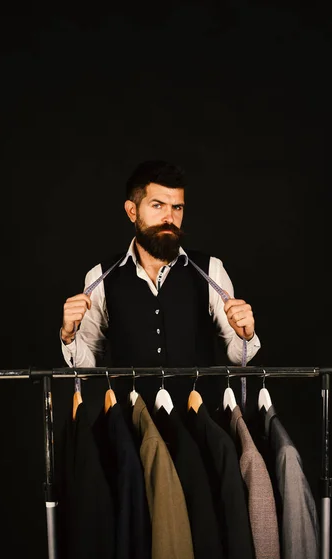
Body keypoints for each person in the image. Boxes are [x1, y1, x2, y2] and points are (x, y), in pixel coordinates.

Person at [60, 159, 261, 413]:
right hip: (131, 432)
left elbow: (238, 357)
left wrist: (245, 335)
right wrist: (69, 337)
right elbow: (87, 370)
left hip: (200, 429)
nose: (170, 217)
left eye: (177, 207)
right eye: (158, 206)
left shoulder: (212, 271)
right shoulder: (99, 277)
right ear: (132, 211)